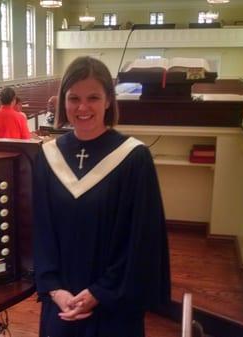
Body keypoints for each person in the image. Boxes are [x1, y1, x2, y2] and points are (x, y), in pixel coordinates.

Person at [33, 56, 171, 337]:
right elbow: (40, 230)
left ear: (109, 100)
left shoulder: (133, 158)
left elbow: (141, 241)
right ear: (63, 101)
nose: (82, 108)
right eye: (74, 98)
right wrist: (54, 288)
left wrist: (100, 292)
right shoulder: (48, 156)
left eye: (93, 97)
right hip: (62, 303)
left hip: (112, 307)